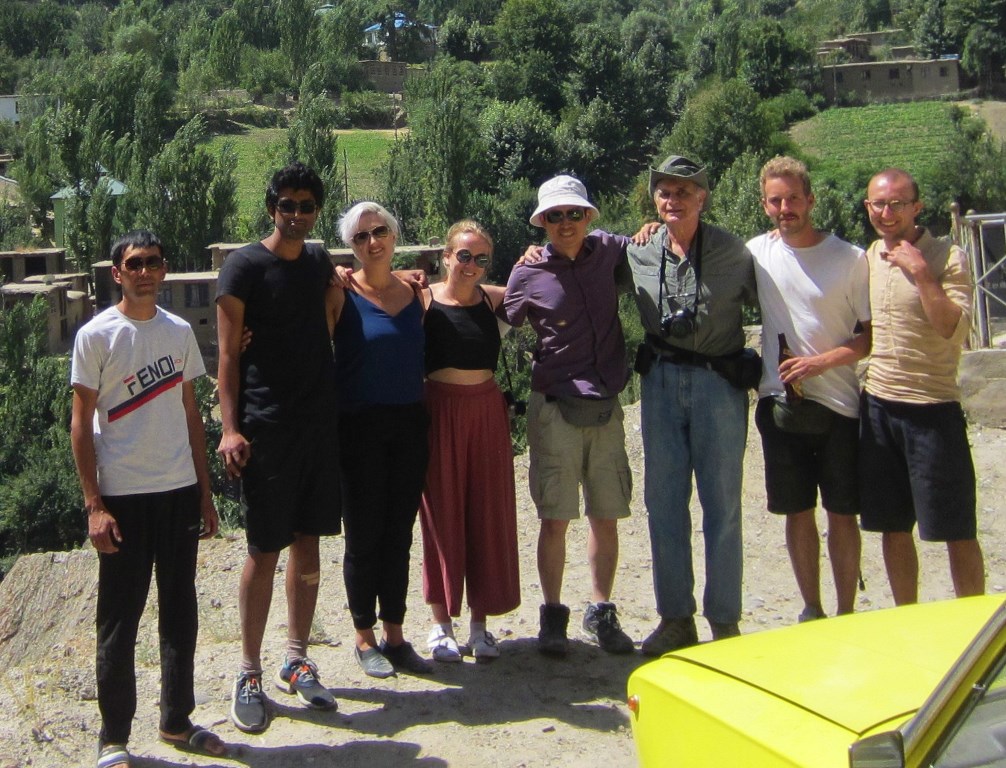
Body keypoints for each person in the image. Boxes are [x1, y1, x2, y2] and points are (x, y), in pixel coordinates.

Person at [70, 231, 225, 768]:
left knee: (179, 611)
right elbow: (79, 426)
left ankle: (177, 721)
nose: (144, 272)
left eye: (153, 263)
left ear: (164, 270)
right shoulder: (96, 335)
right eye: (134, 264)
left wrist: (206, 494)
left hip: (178, 490)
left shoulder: (180, 331)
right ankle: (113, 738)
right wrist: (94, 504)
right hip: (123, 497)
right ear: (117, 272)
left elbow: (191, 416)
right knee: (119, 618)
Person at [216, 162, 340, 733]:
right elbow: (226, 357)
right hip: (265, 426)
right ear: (271, 208)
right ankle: (248, 672)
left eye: (306, 206)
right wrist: (230, 428)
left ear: (316, 211)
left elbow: (337, 303)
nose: (296, 215)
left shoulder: (316, 262)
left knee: (308, 545)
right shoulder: (242, 266)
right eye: (287, 205)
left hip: (316, 423)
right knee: (264, 550)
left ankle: (295, 659)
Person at [627, 155, 758, 655]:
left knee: (722, 505)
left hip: (718, 386)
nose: (673, 199)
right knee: (663, 504)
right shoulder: (638, 250)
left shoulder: (734, 253)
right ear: (654, 199)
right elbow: (581, 264)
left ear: (703, 197)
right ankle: (676, 618)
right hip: (659, 382)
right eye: (664, 191)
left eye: (684, 191)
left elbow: (776, 302)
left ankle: (724, 620)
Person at [501, 174, 635, 657]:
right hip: (554, 405)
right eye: (554, 216)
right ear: (542, 222)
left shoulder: (609, 250)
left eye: (573, 214)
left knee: (606, 513)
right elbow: (497, 320)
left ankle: (601, 610)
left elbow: (648, 238)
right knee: (555, 516)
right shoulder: (528, 272)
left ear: (588, 216)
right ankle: (553, 614)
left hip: (605, 402)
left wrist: (646, 231)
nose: (565, 223)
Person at [748, 156, 870, 622]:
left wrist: (820, 362)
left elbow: (868, 336)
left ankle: (846, 611)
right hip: (782, 406)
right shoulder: (755, 252)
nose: (786, 208)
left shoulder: (850, 258)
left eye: (793, 198)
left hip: (840, 405)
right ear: (765, 205)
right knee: (797, 512)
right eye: (776, 200)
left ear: (810, 200)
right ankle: (812, 609)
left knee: (842, 514)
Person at [859, 168, 984, 605]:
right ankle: (905, 618)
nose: (887, 212)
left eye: (897, 203)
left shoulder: (947, 256)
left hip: (933, 408)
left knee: (955, 529)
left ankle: (973, 629)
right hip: (878, 406)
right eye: (879, 203)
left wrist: (921, 273)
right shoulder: (870, 255)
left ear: (917, 206)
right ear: (868, 207)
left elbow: (953, 328)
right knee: (893, 527)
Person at [332, 201, 433, 678]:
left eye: (380, 232)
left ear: (394, 236)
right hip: (358, 429)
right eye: (360, 236)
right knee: (364, 535)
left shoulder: (417, 294)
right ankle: (364, 636)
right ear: (351, 247)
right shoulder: (339, 293)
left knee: (399, 533)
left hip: (410, 425)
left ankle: (395, 633)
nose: (372, 242)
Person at [419, 219, 520, 663]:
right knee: (441, 517)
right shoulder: (421, 302)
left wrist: (531, 259)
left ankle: (480, 626)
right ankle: (441, 625)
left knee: (486, 513)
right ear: (445, 257)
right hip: (438, 411)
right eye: (463, 255)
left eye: (481, 258)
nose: (472, 265)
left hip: (486, 412)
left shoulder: (495, 301)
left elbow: (545, 290)